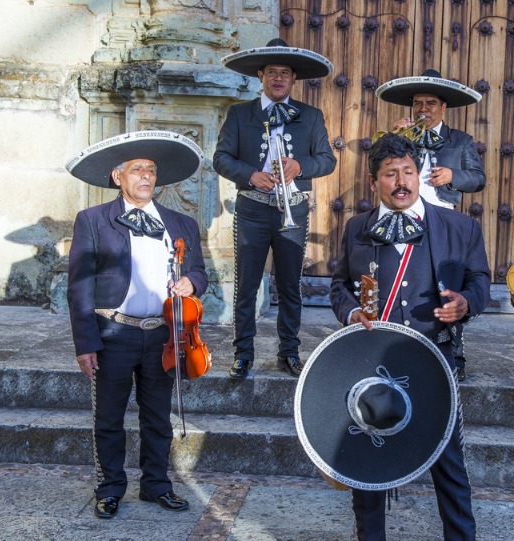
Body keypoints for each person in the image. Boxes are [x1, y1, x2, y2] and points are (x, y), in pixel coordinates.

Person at [330, 133, 491, 540]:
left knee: (447, 460)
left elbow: (480, 280)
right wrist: (349, 311)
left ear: (419, 176)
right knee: (368, 464)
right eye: (390, 174)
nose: (401, 182)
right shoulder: (356, 228)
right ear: (374, 182)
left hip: (435, 361)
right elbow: (339, 285)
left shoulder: (460, 227)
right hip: (371, 363)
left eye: (408, 172)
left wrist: (466, 303)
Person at [65, 131, 208, 519]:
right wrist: (85, 342)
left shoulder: (182, 223)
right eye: (137, 169)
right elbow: (78, 287)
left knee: (158, 417)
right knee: (109, 417)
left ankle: (156, 485)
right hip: (113, 333)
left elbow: (199, 271)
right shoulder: (93, 220)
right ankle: (110, 487)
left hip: (162, 335)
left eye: (151, 170)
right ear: (117, 177)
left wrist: (191, 282)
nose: (146, 176)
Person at [214, 38, 337, 379]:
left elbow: (328, 160)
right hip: (253, 208)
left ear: (293, 78)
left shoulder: (311, 116)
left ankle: (289, 353)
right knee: (247, 284)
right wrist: (251, 175)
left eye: (285, 73)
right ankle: (243, 353)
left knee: (289, 286)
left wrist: (300, 166)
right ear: (260, 76)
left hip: (293, 210)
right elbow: (221, 158)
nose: (278, 78)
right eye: (272, 73)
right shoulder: (240, 114)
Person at [375, 68, 486, 381]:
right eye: (419, 104)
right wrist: (393, 136)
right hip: (404, 214)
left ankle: (456, 354)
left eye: (430, 104)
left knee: (447, 284)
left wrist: (454, 176)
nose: (424, 109)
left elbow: (479, 179)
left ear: (443, 107)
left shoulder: (461, 140)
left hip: (443, 218)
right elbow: (379, 163)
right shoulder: (403, 136)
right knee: (408, 283)